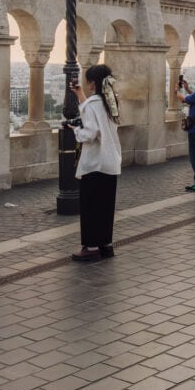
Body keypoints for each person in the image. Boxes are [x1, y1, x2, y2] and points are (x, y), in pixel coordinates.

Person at [68, 65, 122, 262]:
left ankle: (91, 247)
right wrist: (80, 94)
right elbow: (96, 116)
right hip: (111, 161)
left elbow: (90, 133)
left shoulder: (94, 104)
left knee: (90, 207)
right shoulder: (111, 101)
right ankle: (106, 245)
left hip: (95, 163)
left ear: (92, 83)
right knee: (105, 207)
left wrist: (76, 131)